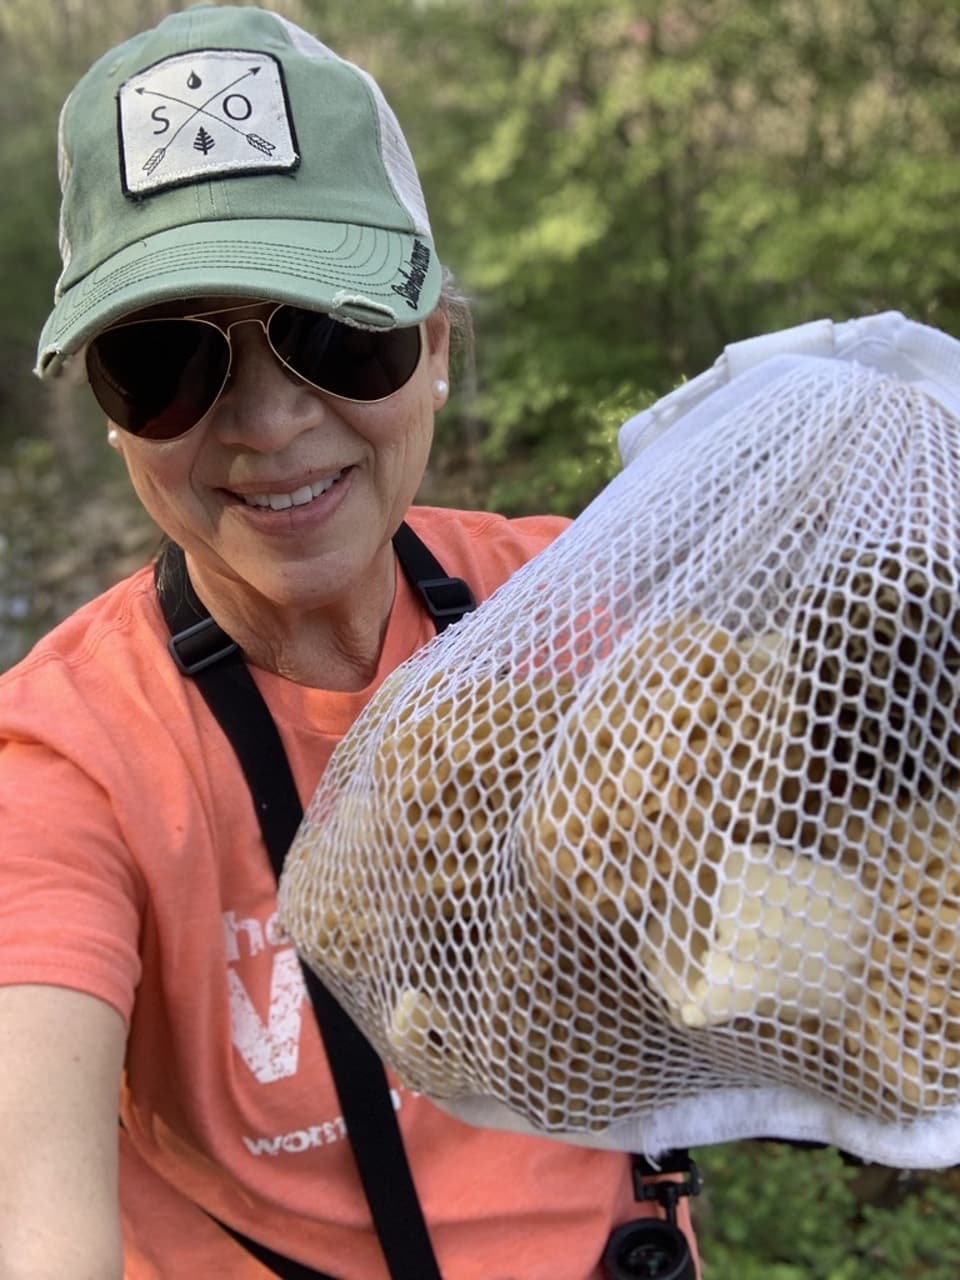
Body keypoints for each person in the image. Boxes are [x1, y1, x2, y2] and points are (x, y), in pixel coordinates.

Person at [0, 6, 700, 1278]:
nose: (269, 422)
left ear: (433, 348)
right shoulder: (65, 766)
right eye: (165, 361)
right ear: (113, 418)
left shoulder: (584, 602)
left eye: (337, 332)